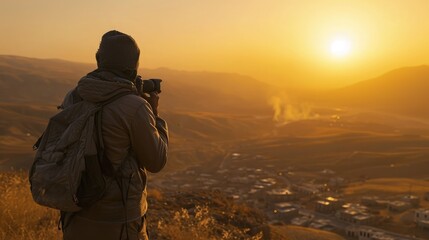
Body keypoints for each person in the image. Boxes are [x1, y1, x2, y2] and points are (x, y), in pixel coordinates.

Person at [60, 30, 169, 240]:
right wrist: (154, 115)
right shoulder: (134, 107)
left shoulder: (74, 96)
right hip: (119, 221)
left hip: (75, 212)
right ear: (134, 66)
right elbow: (157, 161)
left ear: (98, 59)